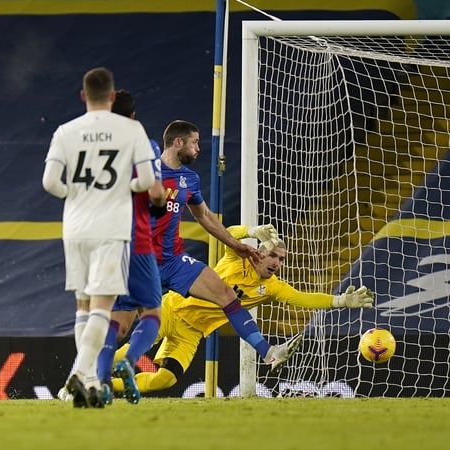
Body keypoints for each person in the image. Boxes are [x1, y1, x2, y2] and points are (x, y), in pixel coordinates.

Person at [111, 225, 375, 393]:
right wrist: (252, 230)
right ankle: (88, 372)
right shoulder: (237, 258)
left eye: (281, 259)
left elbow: (302, 298)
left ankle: (105, 387)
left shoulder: (272, 287)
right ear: (259, 251)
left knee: (164, 380)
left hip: (192, 333)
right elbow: (230, 232)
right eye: (273, 255)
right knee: (132, 352)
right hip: (172, 309)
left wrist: (339, 301)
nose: (277, 263)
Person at [149, 120, 303, 376]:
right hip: (142, 262)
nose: (198, 148)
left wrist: (238, 245)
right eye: (194, 142)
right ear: (178, 142)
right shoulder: (146, 172)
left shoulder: (190, 179)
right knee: (123, 328)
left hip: (174, 261)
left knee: (227, 296)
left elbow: (205, 217)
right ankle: (88, 377)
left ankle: (268, 353)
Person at [42, 67, 157, 408]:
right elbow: (147, 180)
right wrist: (125, 188)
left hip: (75, 226)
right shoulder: (131, 129)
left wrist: (76, 194)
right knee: (102, 308)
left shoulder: (66, 131)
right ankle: (79, 374)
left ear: (83, 96)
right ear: (111, 97)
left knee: (82, 304)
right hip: (111, 227)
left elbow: (50, 183)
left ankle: (90, 381)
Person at [93, 89, 166, 405]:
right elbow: (157, 193)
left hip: (101, 239)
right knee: (152, 311)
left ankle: (100, 382)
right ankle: (130, 359)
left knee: (118, 319)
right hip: (135, 239)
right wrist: (161, 204)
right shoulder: (142, 144)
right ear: (133, 116)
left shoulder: (93, 146)